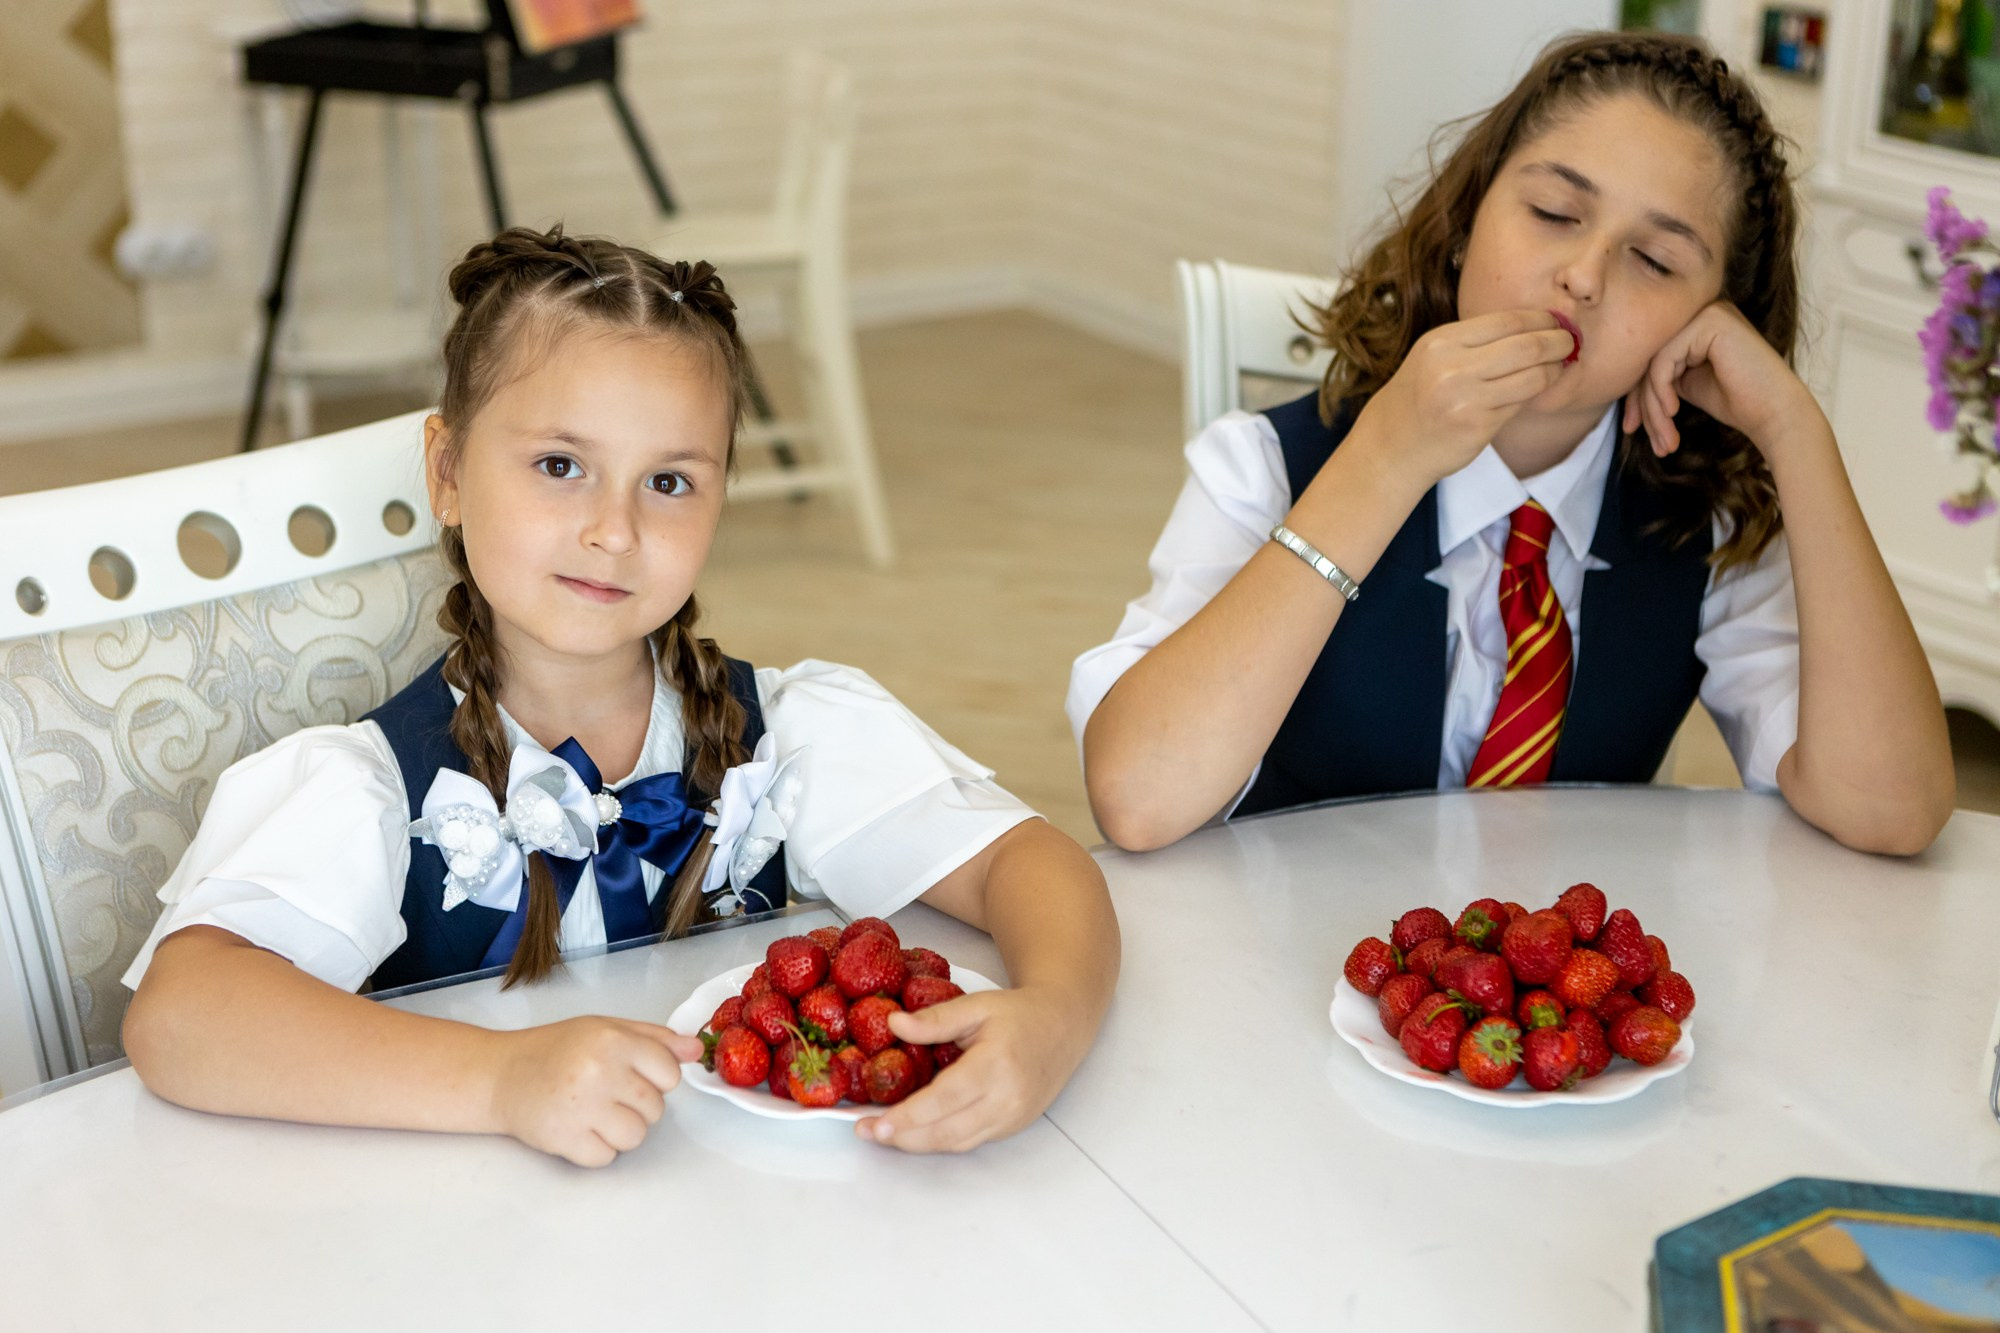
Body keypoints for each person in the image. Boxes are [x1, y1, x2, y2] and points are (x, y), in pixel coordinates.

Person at [122, 226, 1119, 1164]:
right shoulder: (372, 788)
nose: (614, 528)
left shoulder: (788, 736)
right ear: (448, 470)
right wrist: (502, 1081)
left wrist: (1053, 1017)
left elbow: (1023, 863)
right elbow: (181, 1017)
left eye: (670, 482)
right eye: (561, 465)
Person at [1072, 31, 1954, 856]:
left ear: (1715, 323)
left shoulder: (1705, 532)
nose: (1583, 275)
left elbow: (1890, 807)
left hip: (1553, 1012)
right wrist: (1386, 459)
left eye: (1654, 261)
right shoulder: (1263, 465)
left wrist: (1795, 432)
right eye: (1553, 211)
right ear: (1466, 221)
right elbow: (1138, 796)